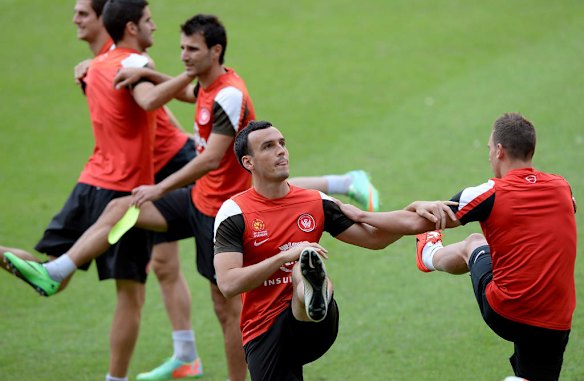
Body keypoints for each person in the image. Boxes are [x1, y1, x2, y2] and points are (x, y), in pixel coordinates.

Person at [2, 1, 170, 380]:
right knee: (131, 294)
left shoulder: (95, 67)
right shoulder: (134, 65)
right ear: (129, 26)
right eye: (148, 21)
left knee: (52, 279)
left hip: (89, 184)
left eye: (82, 13)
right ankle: (116, 379)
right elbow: (152, 104)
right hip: (123, 194)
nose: (75, 19)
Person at [212, 120, 456, 380]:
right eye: (269, 146)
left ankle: (311, 291)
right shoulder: (235, 213)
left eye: (282, 143)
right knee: (301, 262)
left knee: (301, 270)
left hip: (316, 325)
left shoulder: (315, 202)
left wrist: (412, 209)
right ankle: (310, 285)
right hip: (263, 328)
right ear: (248, 162)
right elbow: (228, 283)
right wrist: (284, 256)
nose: (281, 151)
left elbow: (374, 239)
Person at [347, 113, 577, 381]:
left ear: (500, 151)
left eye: (490, 149)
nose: (489, 155)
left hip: (508, 310)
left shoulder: (488, 193)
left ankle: (429, 254)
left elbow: (417, 222)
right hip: (557, 320)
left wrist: (361, 216)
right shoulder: (562, 187)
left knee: (474, 243)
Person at [71, 1, 203, 378]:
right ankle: (186, 355)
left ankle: (338, 185)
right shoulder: (101, 65)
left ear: (104, 22)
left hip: (173, 158)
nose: (75, 21)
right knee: (163, 264)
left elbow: (153, 102)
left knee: (245, 197)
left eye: (82, 14)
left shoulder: (127, 61)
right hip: (157, 164)